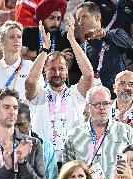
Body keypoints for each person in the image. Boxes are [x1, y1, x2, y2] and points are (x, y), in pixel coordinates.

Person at [25, 14, 93, 168]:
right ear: (45, 71)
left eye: (61, 69)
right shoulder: (38, 95)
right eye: (52, 69)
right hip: (42, 160)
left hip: (71, 160)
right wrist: (44, 50)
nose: (57, 73)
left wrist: (72, 40)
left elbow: (88, 75)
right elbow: (30, 81)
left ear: (67, 71)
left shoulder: (76, 94)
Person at [63, 85, 133, 179]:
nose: (102, 108)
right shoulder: (74, 136)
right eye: (97, 104)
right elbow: (66, 174)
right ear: (88, 106)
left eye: (106, 103)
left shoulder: (127, 132)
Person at [0, 88, 46, 179]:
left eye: (15, 108)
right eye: (6, 107)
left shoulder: (32, 144)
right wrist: (7, 167)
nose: (12, 112)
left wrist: (22, 162)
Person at [74, 1, 133, 99]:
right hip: (95, 98)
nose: (81, 22)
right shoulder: (82, 47)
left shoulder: (116, 33)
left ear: (97, 17)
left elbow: (129, 43)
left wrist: (105, 35)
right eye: (78, 19)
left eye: (84, 17)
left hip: (117, 96)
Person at [15, 102, 58, 179]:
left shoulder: (46, 147)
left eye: (20, 124)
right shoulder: (2, 145)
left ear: (29, 122)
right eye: (13, 124)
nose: (16, 129)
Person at [0, 20, 44, 100]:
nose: (17, 40)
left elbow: (40, 96)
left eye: (19, 37)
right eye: (12, 37)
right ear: (2, 41)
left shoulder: (31, 66)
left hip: (26, 111)